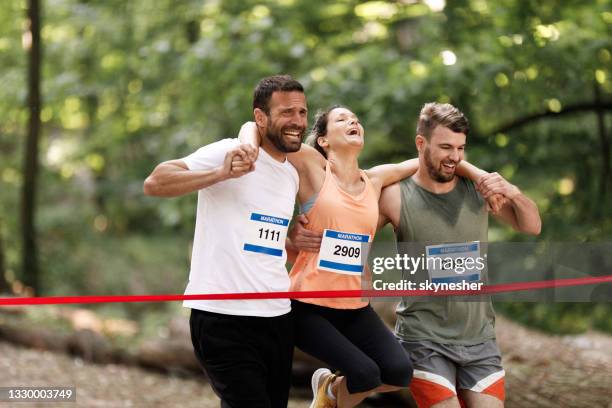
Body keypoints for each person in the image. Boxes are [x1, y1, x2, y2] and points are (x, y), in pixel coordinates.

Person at [239, 105, 494, 408]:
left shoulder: (375, 180)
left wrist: (480, 175)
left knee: (399, 372)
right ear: (323, 140)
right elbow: (258, 129)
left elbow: (435, 158)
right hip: (308, 306)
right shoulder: (313, 167)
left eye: (356, 119)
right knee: (364, 374)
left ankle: (329, 391)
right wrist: (245, 146)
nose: (353, 122)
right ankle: (330, 394)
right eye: (342, 119)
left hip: (355, 307)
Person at [143, 75, 307, 408]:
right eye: (287, 112)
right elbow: (155, 182)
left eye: (303, 113)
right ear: (260, 118)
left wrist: (295, 240)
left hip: (277, 316)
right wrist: (220, 174)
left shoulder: (291, 174)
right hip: (222, 316)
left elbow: (261, 239)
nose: (298, 121)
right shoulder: (229, 151)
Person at [377, 102, 541, 408]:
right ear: (420, 143)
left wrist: (513, 191)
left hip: (479, 340)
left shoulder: (480, 190)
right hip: (423, 338)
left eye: (460, 148)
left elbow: (531, 226)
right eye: (445, 147)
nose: (454, 156)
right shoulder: (395, 195)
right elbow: (355, 237)